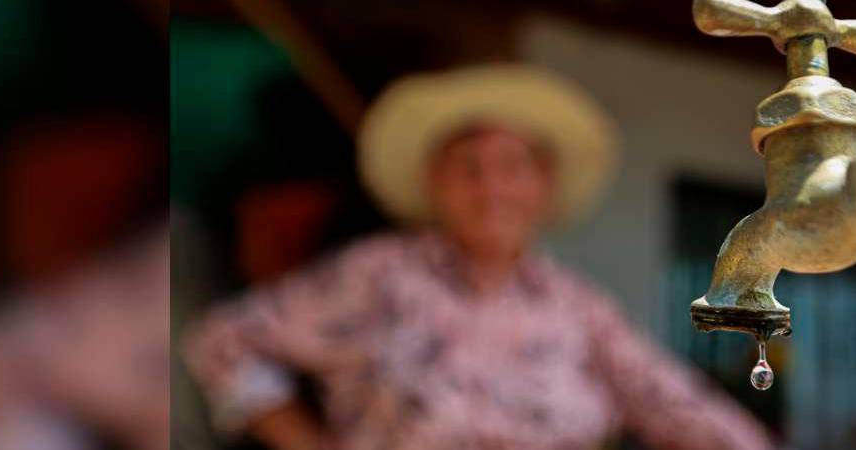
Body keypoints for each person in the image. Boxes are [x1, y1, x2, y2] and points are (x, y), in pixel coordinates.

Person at [183, 65, 772, 450]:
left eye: (513, 167)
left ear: (543, 188)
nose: (491, 189)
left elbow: (677, 404)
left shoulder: (576, 306)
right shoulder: (376, 273)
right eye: (468, 167)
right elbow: (222, 341)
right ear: (434, 185)